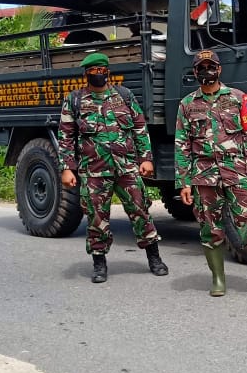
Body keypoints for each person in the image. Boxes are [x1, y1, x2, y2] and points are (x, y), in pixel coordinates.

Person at [58, 53, 168, 283]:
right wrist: (67, 168)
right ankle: (99, 263)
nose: (98, 74)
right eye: (93, 70)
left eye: (102, 69)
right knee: (97, 217)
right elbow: (66, 136)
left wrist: (146, 158)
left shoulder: (124, 96)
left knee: (140, 211)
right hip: (94, 171)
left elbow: (139, 128)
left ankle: (154, 258)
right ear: (86, 74)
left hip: (126, 168)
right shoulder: (75, 100)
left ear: (108, 72)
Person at [175, 50, 247, 300]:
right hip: (204, 176)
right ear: (195, 72)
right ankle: (218, 278)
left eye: (211, 66)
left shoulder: (239, 98)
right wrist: (184, 182)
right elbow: (182, 145)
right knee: (209, 229)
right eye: (201, 67)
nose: (207, 71)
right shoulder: (187, 105)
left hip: (237, 172)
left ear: (219, 69)